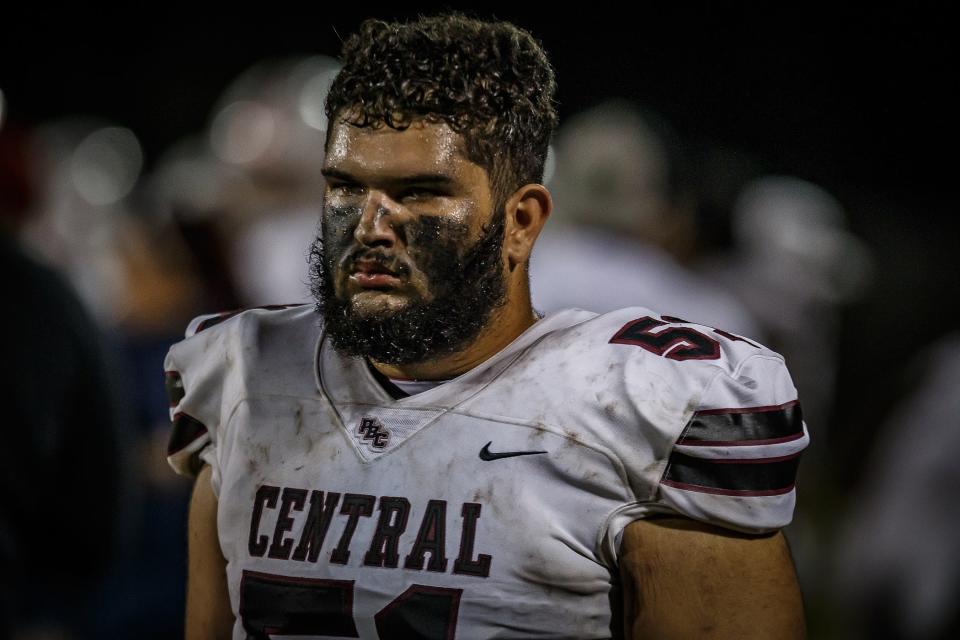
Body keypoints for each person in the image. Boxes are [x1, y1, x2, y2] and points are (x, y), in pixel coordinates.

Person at [166, 15, 807, 639]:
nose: (368, 226)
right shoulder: (244, 376)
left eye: (419, 192)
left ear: (521, 221)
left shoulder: (642, 408)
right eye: (345, 186)